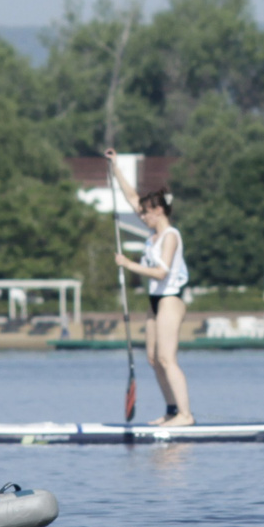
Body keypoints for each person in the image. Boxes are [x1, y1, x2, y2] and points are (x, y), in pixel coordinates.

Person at [105, 149, 193, 427]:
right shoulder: (153, 233)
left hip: (170, 300)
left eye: (145, 214)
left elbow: (161, 271)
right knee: (154, 359)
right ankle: (171, 411)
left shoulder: (170, 236)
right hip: (155, 300)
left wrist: (129, 265)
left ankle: (185, 415)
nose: (141, 217)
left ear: (157, 211)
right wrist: (115, 166)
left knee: (168, 359)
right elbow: (132, 196)